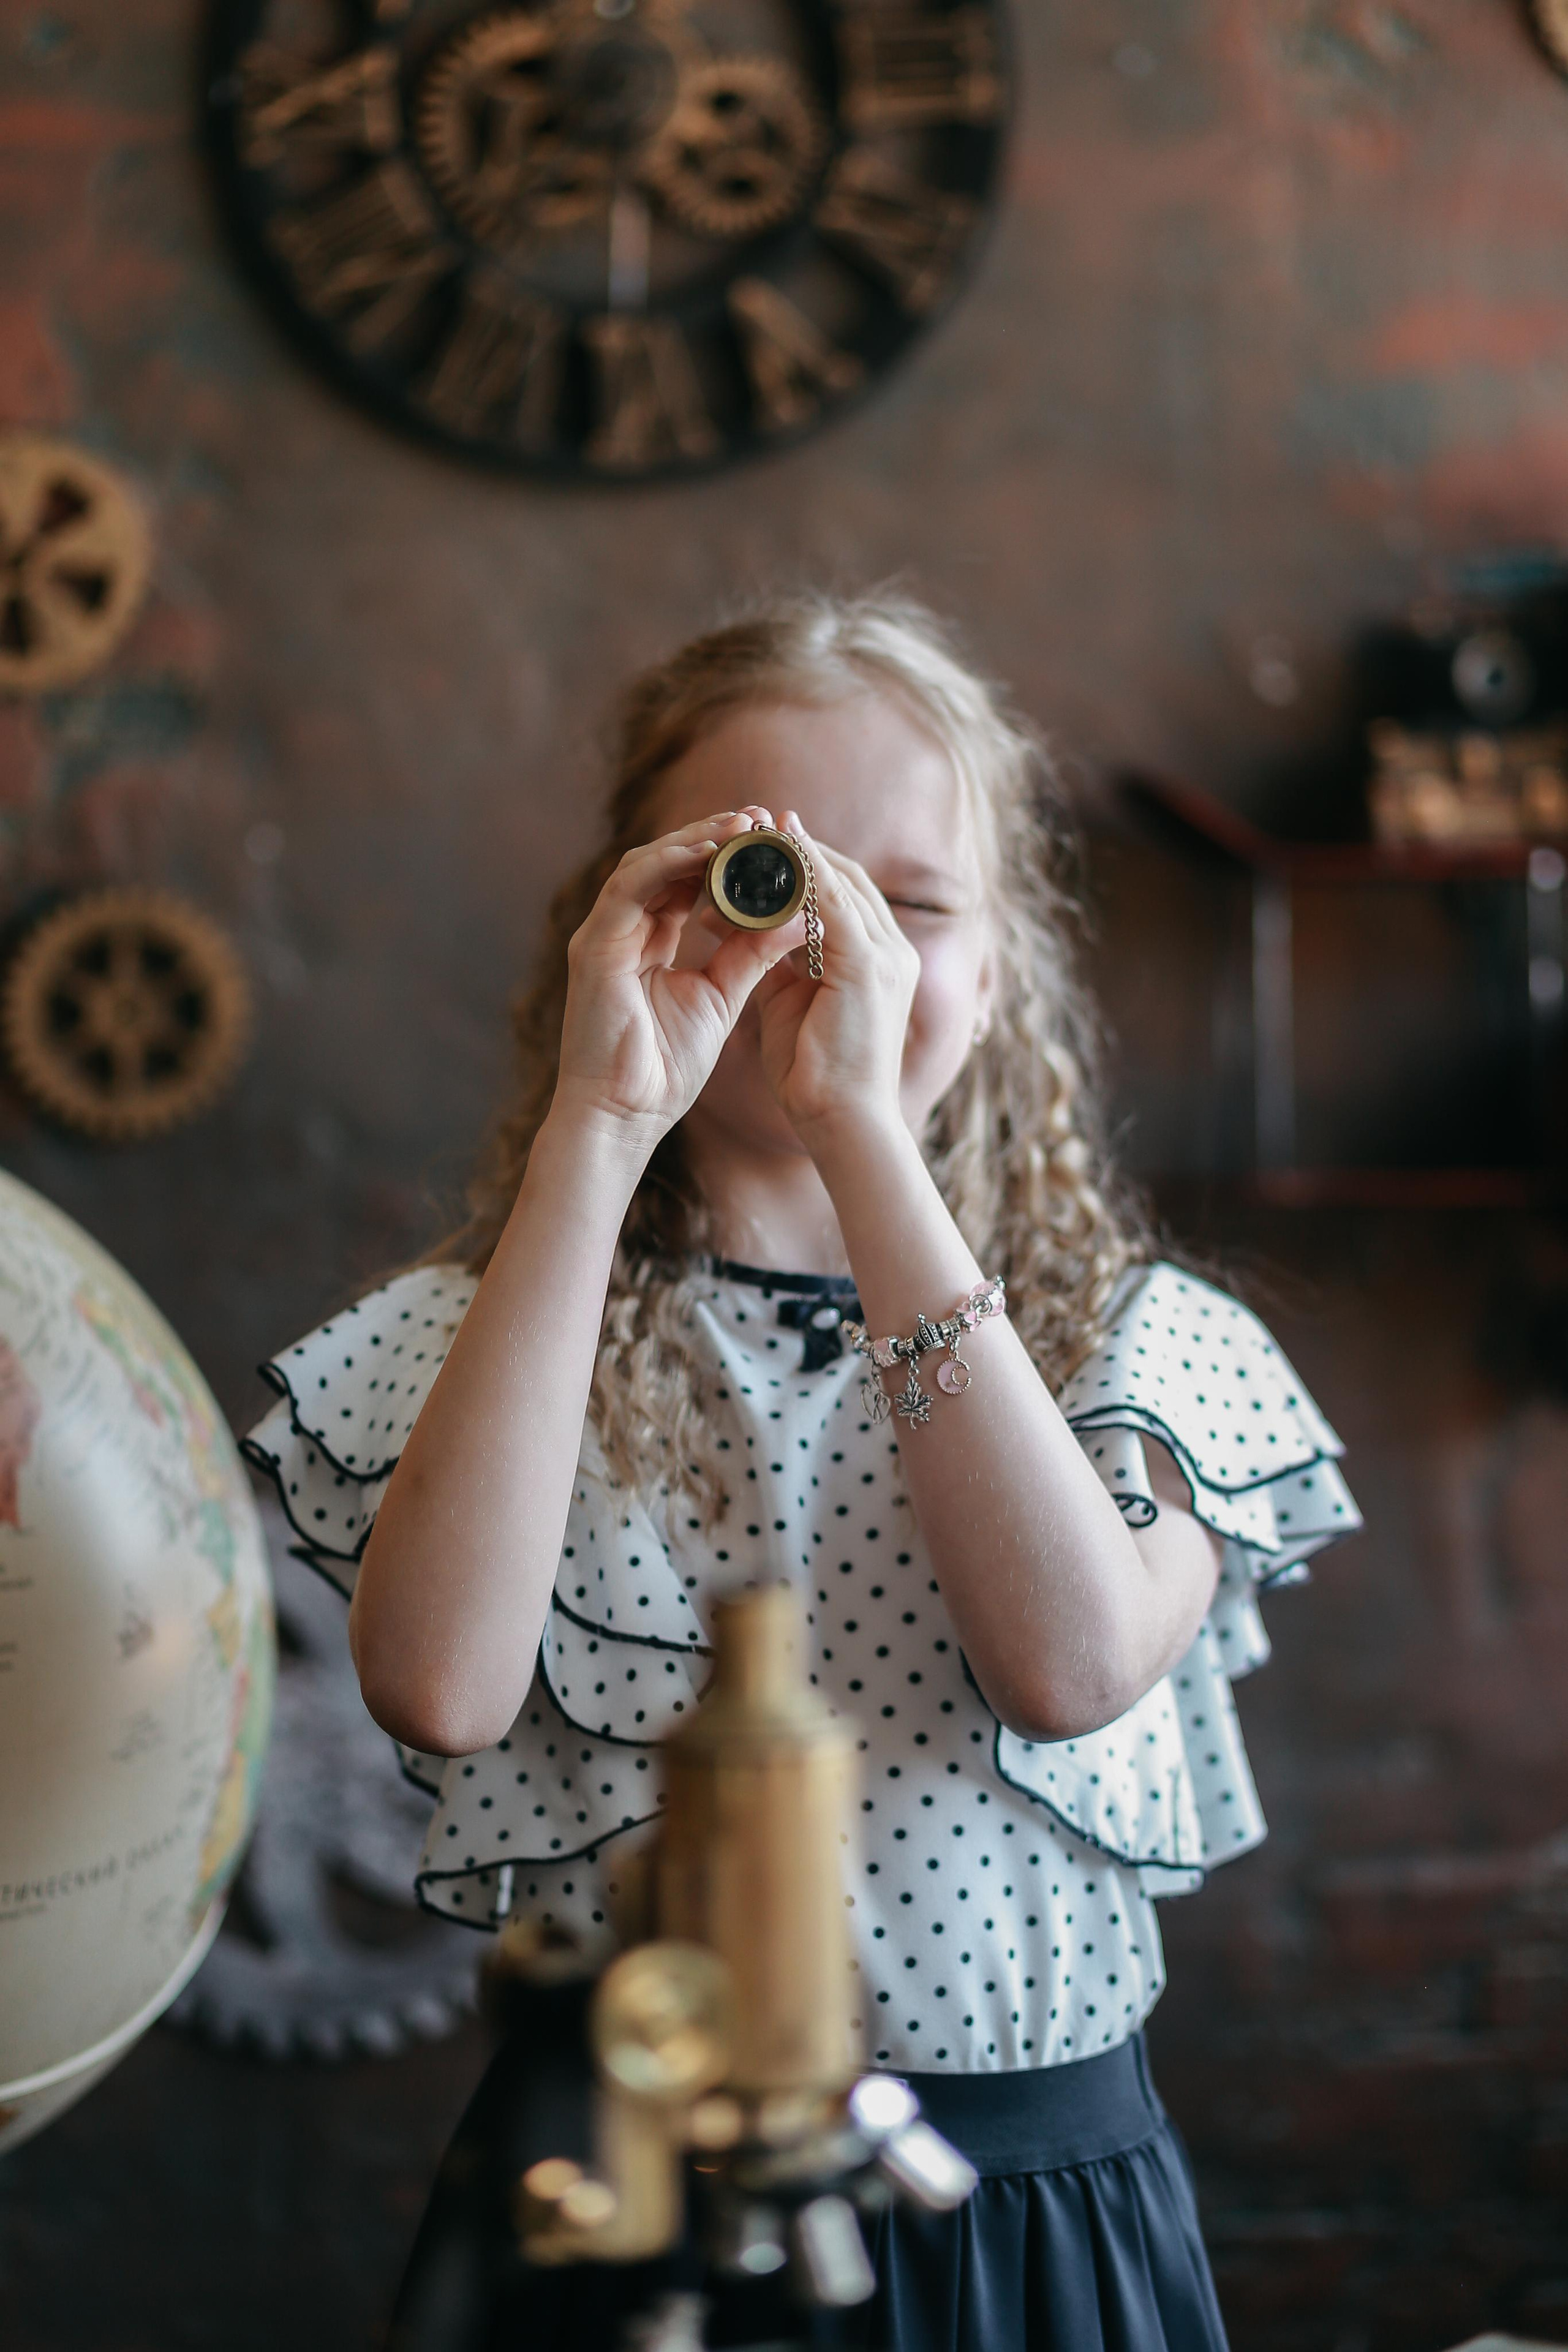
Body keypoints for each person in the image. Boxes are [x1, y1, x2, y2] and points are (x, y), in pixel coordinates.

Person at [245, 590, 1360, 2351]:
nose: (834, 957)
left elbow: (1069, 1666)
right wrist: (600, 1126)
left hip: (1023, 2206)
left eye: (909, 908)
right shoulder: (483, 1335)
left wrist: (861, 1132)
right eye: (762, 894)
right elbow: (439, 1688)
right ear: (614, 928)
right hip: (622, 2198)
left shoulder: (1146, 1340)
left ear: (997, 976)